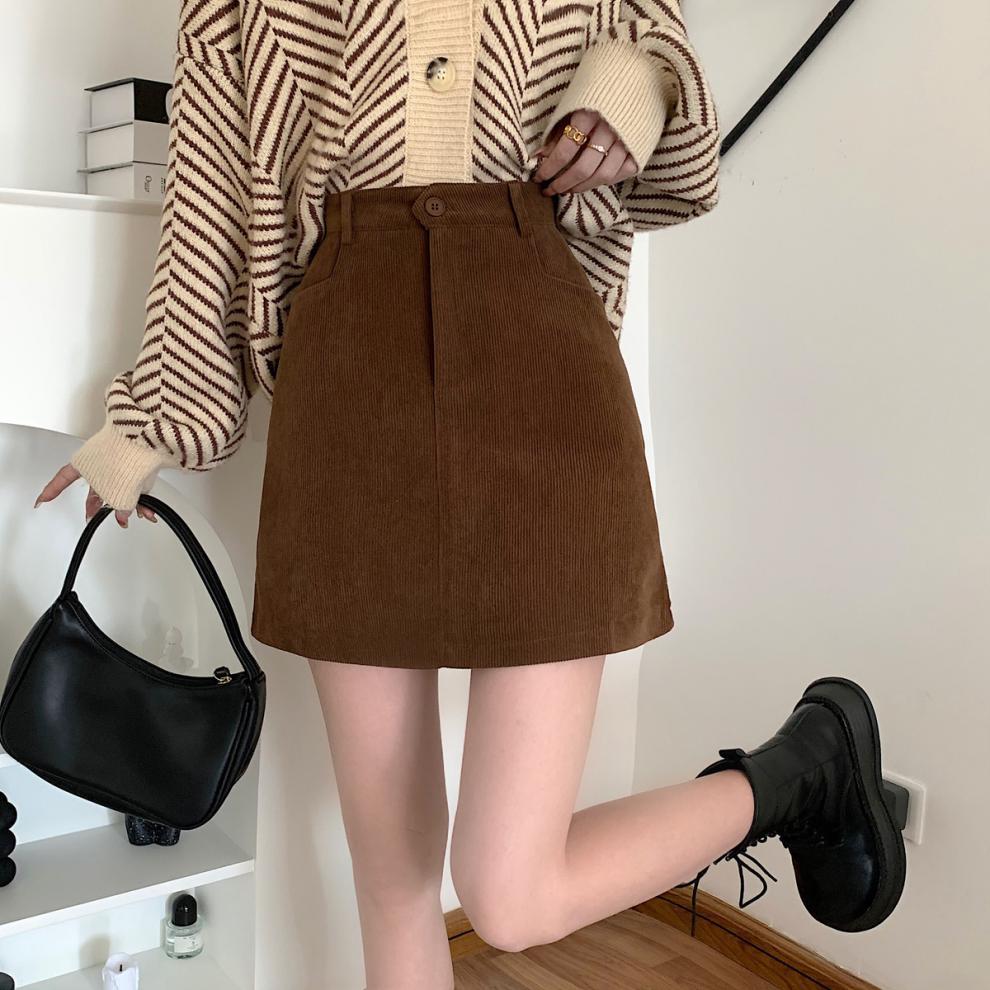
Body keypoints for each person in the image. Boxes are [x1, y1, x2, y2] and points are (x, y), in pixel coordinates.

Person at [34, 1, 906, 986]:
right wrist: (150, 424)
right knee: (391, 877)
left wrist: (630, 89)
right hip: (348, 383)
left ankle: (801, 772)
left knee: (509, 893)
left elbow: (656, 56)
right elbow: (210, 197)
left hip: (540, 360)